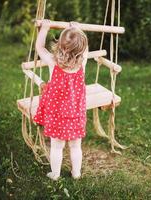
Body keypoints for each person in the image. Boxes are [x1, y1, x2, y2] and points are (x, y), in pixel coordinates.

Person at [33, 19, 88, 180]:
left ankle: (55, 174)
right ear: (82, 48)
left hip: (57, 114)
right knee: (75, 145)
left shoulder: (53, 62)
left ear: (60, 45)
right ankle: (76, 173)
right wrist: (77, 29)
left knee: (57, 145)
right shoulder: (82, 62)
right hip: (75, 113)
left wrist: (45, 27)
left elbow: (39, 47)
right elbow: (84, 48)